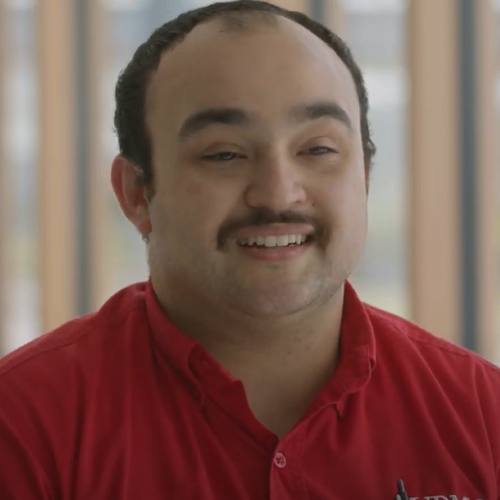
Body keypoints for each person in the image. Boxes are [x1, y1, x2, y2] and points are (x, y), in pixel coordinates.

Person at [0, 1, 499, 499]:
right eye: (224, 154)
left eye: (318, 149)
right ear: (136, 192)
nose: (279, 193)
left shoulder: (484, 415)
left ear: (364, 176)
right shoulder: (23, 425)